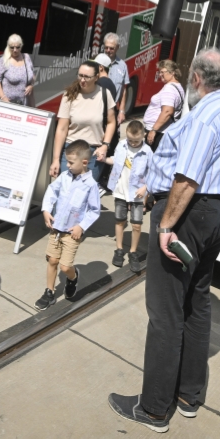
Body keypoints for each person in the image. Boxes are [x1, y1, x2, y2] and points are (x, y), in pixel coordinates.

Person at [107, 49, 220, 431]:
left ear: (197, 80)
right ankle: (189, 394)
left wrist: (167, 225)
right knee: (197, 301)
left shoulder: (206, 115)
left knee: (166, 310)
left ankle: (154, 407)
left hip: (190, 212)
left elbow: (187, 179)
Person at [36, 139, 101, 310]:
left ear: (84, 162)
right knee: (52, 260)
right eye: (67, 161)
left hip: (73, 232)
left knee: (65, 267)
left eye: (71, 162)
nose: (68, 165)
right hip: (56, 228)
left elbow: (94, 210)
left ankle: (73, 277)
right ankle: (49, 292)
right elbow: (52, 191)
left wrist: (82, 226)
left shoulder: (90, 185)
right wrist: (46, 210)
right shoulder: (64, 177)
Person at [48, 61, 117, 184]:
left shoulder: (105, 94)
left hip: (93, 153)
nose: (82, 80)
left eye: (87, 77)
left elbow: (112, 122)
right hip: (70, 151)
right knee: (66, 192)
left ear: (96, 77)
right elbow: (61, 129)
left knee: (85, 194)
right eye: (80, 75)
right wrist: (56, 159)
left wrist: (105, 145)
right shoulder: (69, 95)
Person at [106, 119, 152, 272]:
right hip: (120, 190)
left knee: (137, 224)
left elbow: (153, 174)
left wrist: (145, 188)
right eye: (130, 140)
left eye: (136, 140)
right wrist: (105, 159)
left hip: (137, 193)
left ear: (143, 136)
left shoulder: (147, 152)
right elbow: (116, 160)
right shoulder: (121, 145)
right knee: (120, 221)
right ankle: (119, 249)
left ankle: (133, 251)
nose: (132, 143)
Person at [144, 60, 185, 148]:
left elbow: (167, 111)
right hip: (162, 132)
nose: (159, 75)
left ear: (172, 73)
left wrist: (153, 130)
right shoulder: (178, 87)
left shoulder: (169, 89)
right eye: (159, 72)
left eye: (162, 72)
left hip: (158, 133)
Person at [95, 32, 130, 126]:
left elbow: (123, 89)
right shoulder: (96, 63)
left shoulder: (122, 65)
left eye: (111, 48)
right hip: (96, 108)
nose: (108, 50)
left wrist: (122, 110)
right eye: (106, 47)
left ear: (117, 47)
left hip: (112, 109)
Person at [0, 34, 35, 106]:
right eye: (12, 47)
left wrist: (31, 85)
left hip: (22, 103)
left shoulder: (26, 57)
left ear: (21, 46)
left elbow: (32, 75)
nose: (15, 50)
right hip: (6, 103)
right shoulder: (4, 60)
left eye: (17, 47)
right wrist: (3, 97)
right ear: (8, 47)